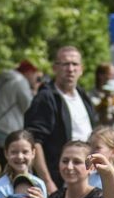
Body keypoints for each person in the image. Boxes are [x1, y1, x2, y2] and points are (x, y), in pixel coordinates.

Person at [24, 45, 92, 182]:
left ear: (81, 69)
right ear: (55, 68)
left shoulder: (82, 95)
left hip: (86, 176)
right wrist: (48, 182)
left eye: (75, 64)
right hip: (60, 179)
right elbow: (34, 142)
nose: (70, 69)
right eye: (65, 64)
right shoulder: (46, 98)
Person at [0, 58, 39, 151]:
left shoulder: (3, 79)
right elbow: (29, 108)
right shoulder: (21, 81)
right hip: (7, 132)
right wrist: (35, 94)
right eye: (35, 75)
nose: (36, 79)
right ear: (29, 72)